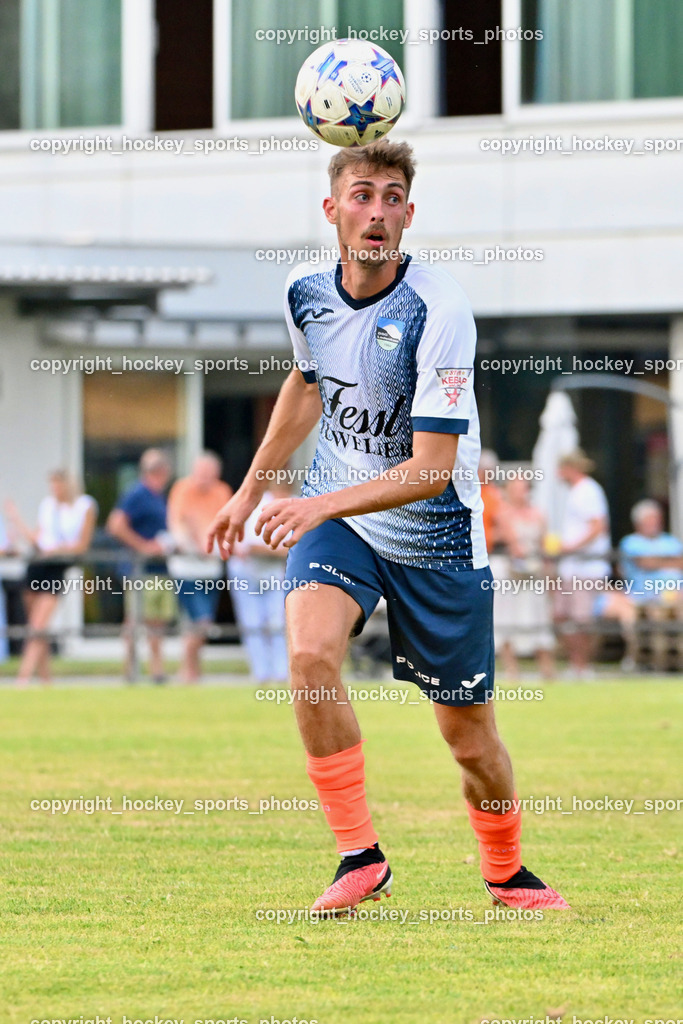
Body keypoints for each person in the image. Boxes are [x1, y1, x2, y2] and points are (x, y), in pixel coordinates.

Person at [208, 140, 568, 914]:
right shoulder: (302, 290)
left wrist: (310, 504)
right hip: (342, 522)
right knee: (308, 655)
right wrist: (253, 491)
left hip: (435, 535)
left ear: (409, 213)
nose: (377, 211)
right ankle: (359, 856)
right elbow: (306, 386)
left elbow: (430, 468)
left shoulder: (438, 308)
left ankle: (505, 871)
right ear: (332, 208)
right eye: (362, 194)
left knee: (469, 738)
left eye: (392, 196)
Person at [5, 471, 96, 686]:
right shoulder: (48, 506)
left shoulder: (84, 506)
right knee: (38, 628)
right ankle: (46, 681)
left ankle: (22, 679)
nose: (55, 490)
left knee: (38, 625)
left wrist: (57, 550)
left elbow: (81, 545)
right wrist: (16, 519)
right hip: (37, 566)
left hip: (56, 568)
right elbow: (38, 540)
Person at [106, 449, 174, 683]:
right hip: (139, 569)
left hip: (159, 569)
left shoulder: (158, 496)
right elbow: (115, 525)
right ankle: (130, 670)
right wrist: (143, 546)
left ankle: (157, 670)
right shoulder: (137, 493)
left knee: (157, 621)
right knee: (135, 619)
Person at [167, 452, 233, 684]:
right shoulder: (181, 489)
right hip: (186, 569)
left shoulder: (222, 491)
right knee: (201, 621)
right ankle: (188, 671)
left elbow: (225, 526)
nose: (204, 477)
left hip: (210, 569)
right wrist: (199, 541)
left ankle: (192, 671)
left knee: (200, 624)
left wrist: (206, 542)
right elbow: (180, 525)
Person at [555, 450, 611, 677]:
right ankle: (575, 664)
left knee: (582, 618)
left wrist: (571, 546)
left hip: (586, 567)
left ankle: (584, 666)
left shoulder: (588, 491)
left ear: (572, 468)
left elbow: (598, 527)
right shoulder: (578, 492)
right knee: (562, 615)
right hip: (572, 567)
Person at [228, 484, 289, 685]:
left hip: (274, 572)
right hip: (247, 572)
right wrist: (281, 550)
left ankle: (281, 674)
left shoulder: (296, 502)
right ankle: (261, 674)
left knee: (277, 623)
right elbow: (251, 546)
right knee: (252, 623)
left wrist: (279, 550)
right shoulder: (257, 505)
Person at [495, 477, 555, 679]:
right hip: (512, 575)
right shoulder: (503, 513)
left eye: (524, 488)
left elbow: (545, 543)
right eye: (518, 488)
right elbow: (512, 543)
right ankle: (512, 671)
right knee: (508, 619)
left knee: (539, 618)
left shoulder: (538, 513)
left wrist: (547, 569)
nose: (522, 492)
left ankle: (547, 671)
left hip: (535, 573)